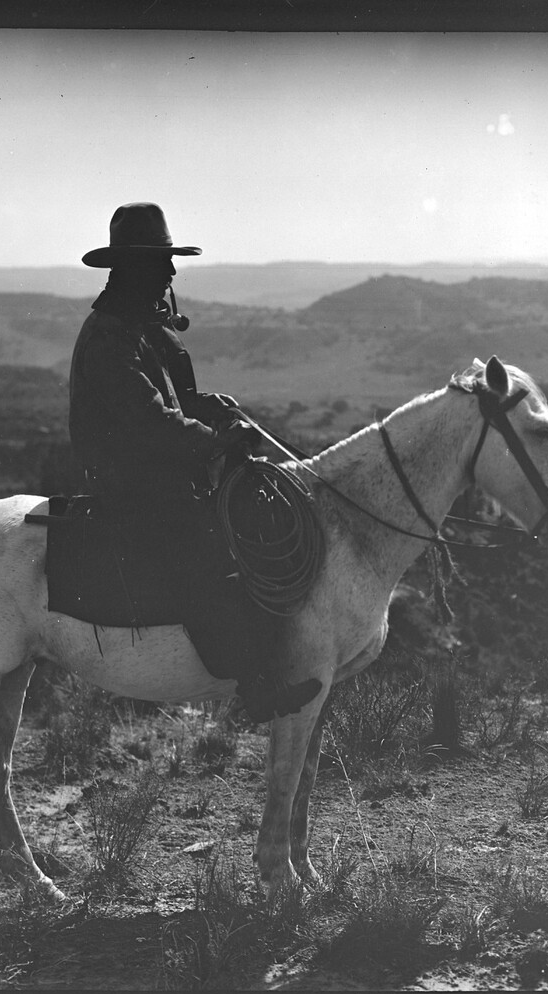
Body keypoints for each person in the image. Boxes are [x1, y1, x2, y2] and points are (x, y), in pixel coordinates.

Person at [68, 202, 321, 720]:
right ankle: (254, 684)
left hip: (162, 472)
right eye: (161, 261)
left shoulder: (145, 328)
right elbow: (149, 421)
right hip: (133, 483)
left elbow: (179, 401)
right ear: (134, 267)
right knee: (206, 552)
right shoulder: (109, 337)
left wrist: (214, 409)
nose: (171, 272)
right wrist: (216, 443)